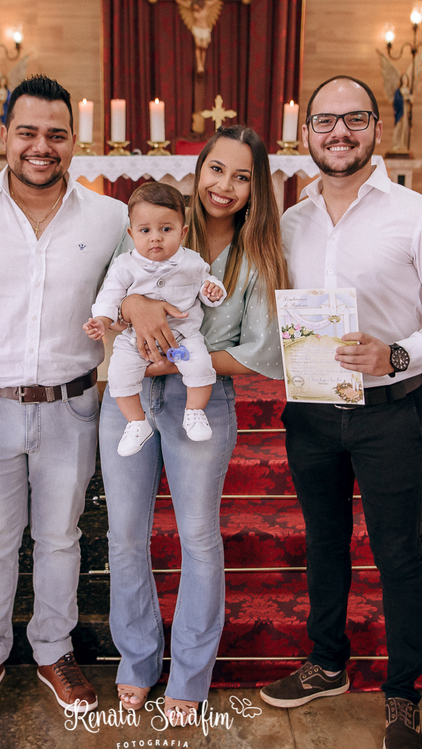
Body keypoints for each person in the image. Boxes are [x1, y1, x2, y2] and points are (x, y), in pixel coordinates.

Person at [259, 76, 422, 749]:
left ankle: (402, 690)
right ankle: (327, 660)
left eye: (354, 119)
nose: (338, 133)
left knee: (395, 552)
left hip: (391, 411)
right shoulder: (291, 219)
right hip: (313, 410)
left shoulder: (419, 215)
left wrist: (399, 352)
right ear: (306, 137)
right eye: (324, 121)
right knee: (323, 542)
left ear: (376, 130)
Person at [0, 75, 129, 721]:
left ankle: (52, 646)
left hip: (72, 404)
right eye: (27, 132)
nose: (40, 146)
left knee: (60, 536)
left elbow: (141, 278)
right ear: (5, 136)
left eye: (55, 133)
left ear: (74, 141)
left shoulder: (108, 216)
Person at [104, 125, 289, 724]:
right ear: (198, 170)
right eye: (217, 170)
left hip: (200, 401)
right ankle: (136, 662)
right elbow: (115, 295)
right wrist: (135, 306)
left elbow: (260, 353)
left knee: (198, 539)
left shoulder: (254, 255)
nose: (225, 186)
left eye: (241, 177)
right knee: (125, 536)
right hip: (129, 398)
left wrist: (173, 357)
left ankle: (189, 672)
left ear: (255, 187)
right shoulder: (148, 223)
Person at [84, 182, 226, 456]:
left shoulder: (192, 262)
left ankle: (194, 412)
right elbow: (110, 295)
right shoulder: (125, 265)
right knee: (118, 375)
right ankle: (137, 423)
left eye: (166, 229)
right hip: (136, 341)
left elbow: (207, 286)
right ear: (131, 233)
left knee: (200, 366)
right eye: (145, 230)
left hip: (183, 337)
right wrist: (101, 320)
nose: (155, 238)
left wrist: (213, 290)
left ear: (183, 232)